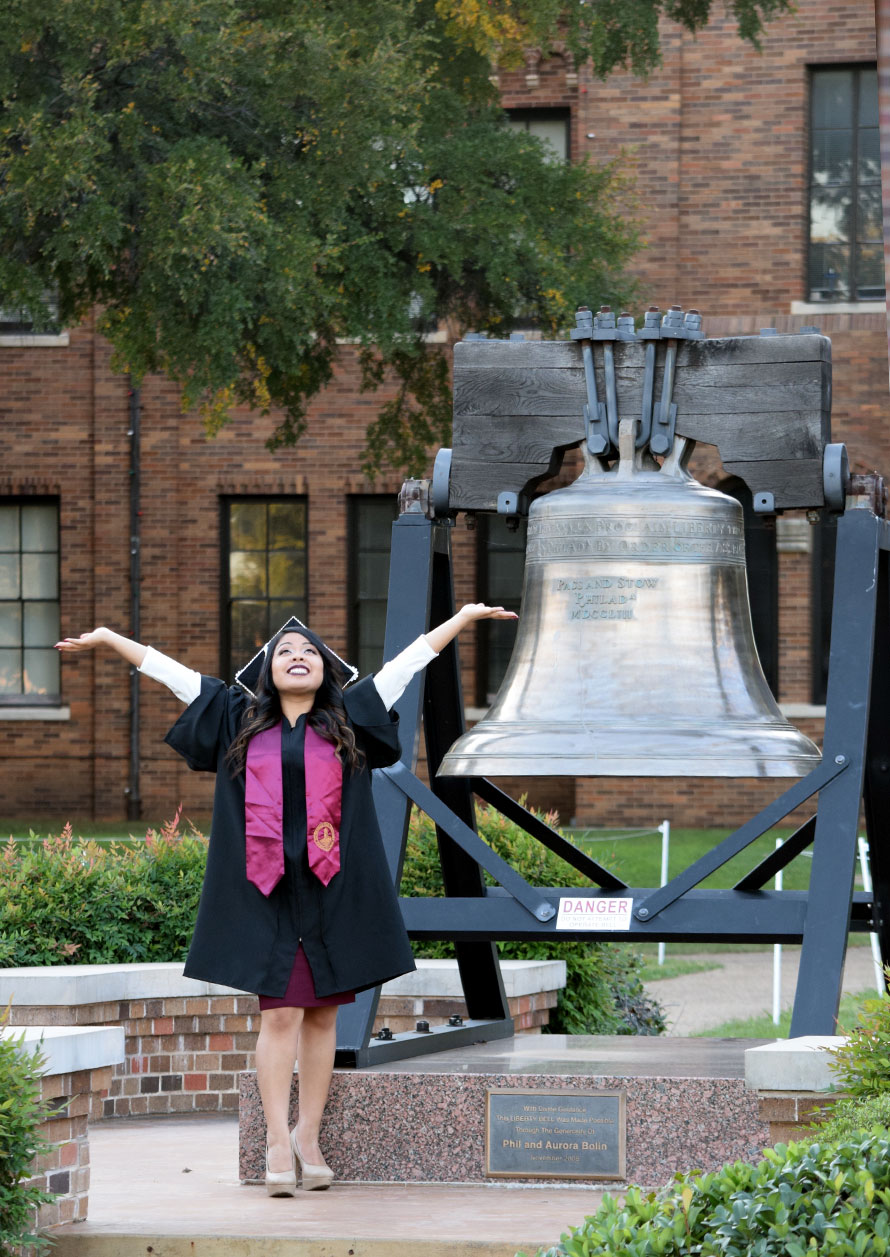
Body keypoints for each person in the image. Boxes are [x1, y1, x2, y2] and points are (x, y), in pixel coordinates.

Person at [55, 603, 516, 1195]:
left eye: (308, 653)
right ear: (267, 672)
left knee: (324, 1016)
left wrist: (462, 619)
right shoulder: (235, 718)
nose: (297, 657)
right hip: (265, 892)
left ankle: (309, 1136)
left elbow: (407, 665)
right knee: (279, 1014)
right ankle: (276, 1138)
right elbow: (173, 674)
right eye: (284, 653)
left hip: (333, 892)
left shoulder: (348, 719)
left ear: (326, 670)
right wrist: (111, 639)